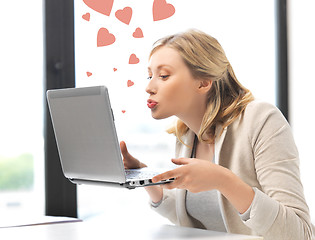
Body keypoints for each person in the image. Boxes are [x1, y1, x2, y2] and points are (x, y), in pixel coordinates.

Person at [120, 29, 314, 239]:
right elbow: (202, 219)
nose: (149, 87)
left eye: (163, 76)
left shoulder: (261, 119)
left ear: (203, 83)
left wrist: (223, 180)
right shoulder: (186, 134)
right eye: (150, 76)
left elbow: (300, 233)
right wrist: (147, 179)